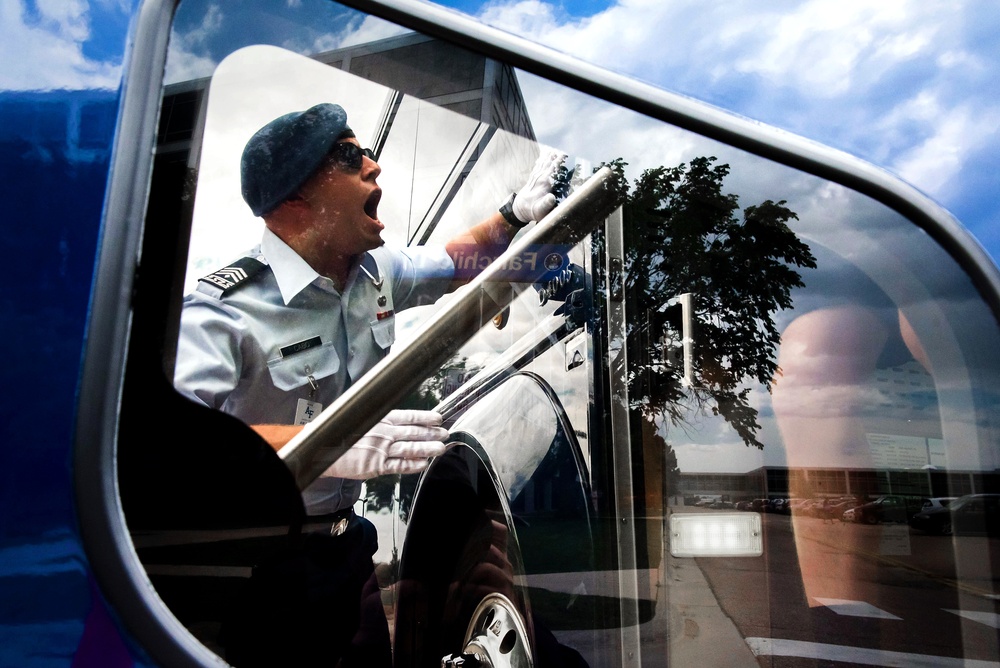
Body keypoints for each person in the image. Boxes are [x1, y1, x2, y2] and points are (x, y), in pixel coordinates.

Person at [173, 102, 564, 666]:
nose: (374, 166)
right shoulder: (221, 314)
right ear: (294, 199)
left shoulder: (371, 275)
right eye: (349, 156)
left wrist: (511, 215)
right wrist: (327, 446)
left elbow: (457, 262)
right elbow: (176, 445)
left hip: (347, 554)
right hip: (254, 570)